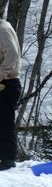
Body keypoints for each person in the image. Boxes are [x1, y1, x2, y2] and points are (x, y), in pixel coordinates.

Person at [0, 19, 22, 171]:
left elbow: (12, 53)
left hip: (8, 82)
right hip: (5, 81)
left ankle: (8, 160)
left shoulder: (2, 29)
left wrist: (0, 74)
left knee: (5, 122)